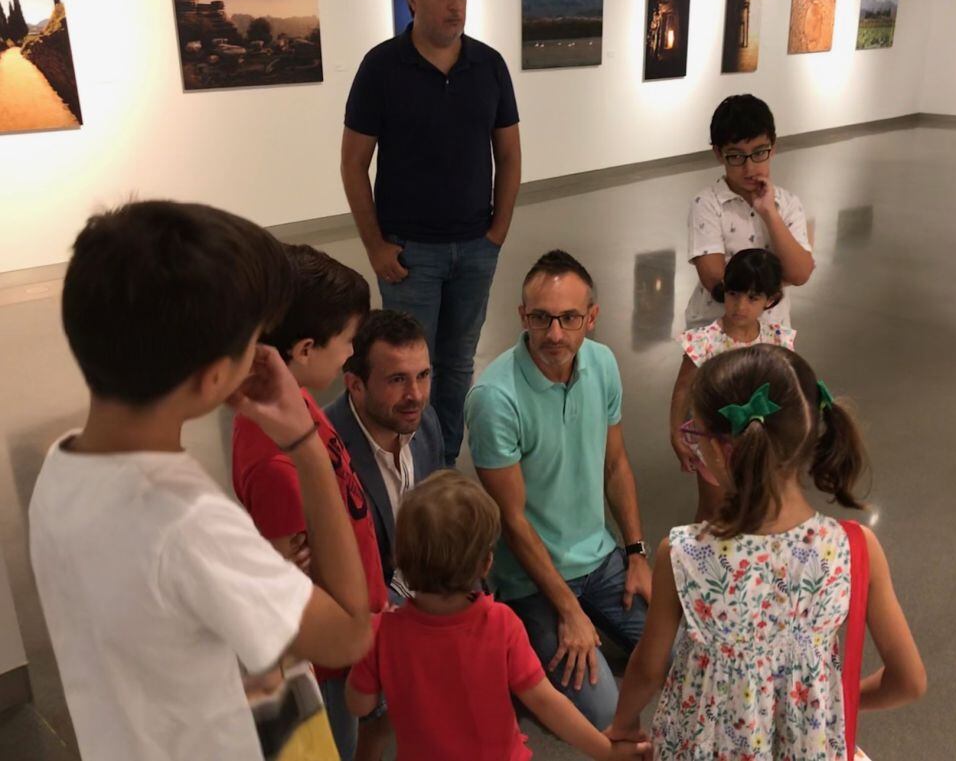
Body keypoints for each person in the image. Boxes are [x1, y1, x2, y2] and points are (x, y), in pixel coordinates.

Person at [29, 201, 373, 761]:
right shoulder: (188, 522)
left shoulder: (60, 464)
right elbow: (351, 632)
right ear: (217, 375)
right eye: (255, 339)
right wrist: (305, 446)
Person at [610, 344, 927, 760]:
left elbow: (648, 670)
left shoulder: (684, 554)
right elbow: (909, 681)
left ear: (723, 450)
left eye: (696, 433)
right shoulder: (854, 548)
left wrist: (623, 725)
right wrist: (824, 702)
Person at [341, 0, 522, 466]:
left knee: (456, 365)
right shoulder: (381, 68)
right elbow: (354, 164)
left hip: (475, 247)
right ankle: (403, 465)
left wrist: (497, 232)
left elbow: (508, 154)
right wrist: (375, 245)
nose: (455, 5)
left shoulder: (489, 66)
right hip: (408, 253)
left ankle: (438, 465)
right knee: (405, 372)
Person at [464, 250, 651, 729]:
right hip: (532, 579)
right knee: (603, 713)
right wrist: (567, 609)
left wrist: (635, 553)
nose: (554, 334)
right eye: (542, 318)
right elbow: (513, 519)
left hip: (601, 556)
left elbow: (615, 465)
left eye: (569, 318)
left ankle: (591, 620)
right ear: (522, 316)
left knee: (680, 653)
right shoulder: (495, 399)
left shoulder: (604, 363)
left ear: (591, 318)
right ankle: (525, 635)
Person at [344, 471, 651, 761]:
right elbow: (545, 702)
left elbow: (359, 704)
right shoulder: (500, 623)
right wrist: (606, 751)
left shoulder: (381, 633)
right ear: (486, 564)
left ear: (400, 557)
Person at [231, 244, 388, 761]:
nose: (350, 353)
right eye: (346, 341)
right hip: (329, 663)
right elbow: (294, 594)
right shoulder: (276, 463)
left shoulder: (293, 402)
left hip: (359, 624)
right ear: (302, 349)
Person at [325, 309, 445, 602]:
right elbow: (339, 578)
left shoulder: (425, 423)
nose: (416, 395)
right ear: (355, 385)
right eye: (397, 380)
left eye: (423, 375)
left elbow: (443, 527)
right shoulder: (325, 451)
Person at [669, 248, 795, 520]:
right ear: (724, 290)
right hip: (712, 442)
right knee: (713, 510)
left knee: (757, 507)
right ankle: (701, 558)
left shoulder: (776, 341)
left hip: (760, 445)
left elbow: (787, 391)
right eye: (733, 294)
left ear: (770, 300)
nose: (740, 306)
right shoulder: (705, 340)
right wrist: (675, 433)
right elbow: (683, 388)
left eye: (752, 298)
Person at [685, 93, 814, 330]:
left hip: (772, 330)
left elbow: (800, 273)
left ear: (773, 147)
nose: (749, 167)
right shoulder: (707, 204)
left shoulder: (788, 204)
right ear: (718, 153)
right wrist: (772, 282)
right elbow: (714, 280)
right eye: (735, 156)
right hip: (715, 330)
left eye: (758, 152)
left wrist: (770, 214)